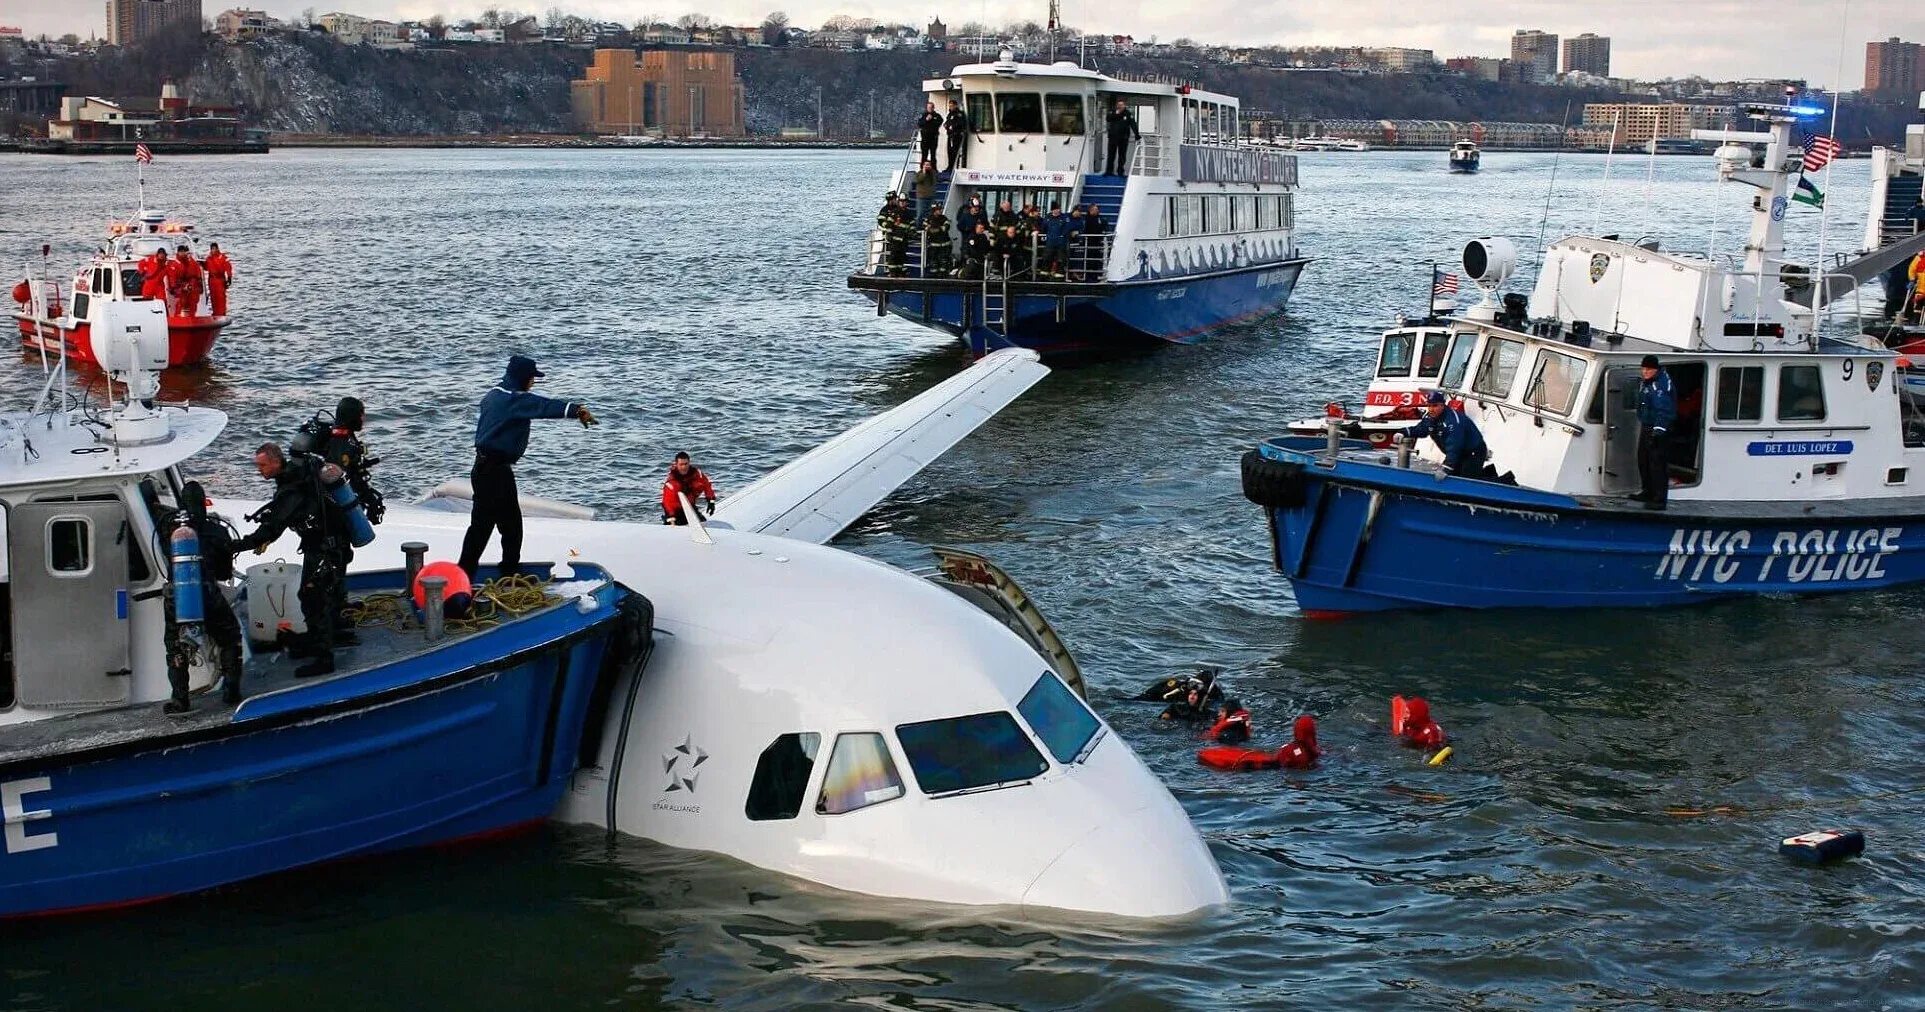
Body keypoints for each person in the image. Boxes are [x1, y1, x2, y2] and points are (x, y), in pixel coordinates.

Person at [457, 355, 596, 581]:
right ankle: (464, 576)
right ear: (522, 378)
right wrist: (576, 410)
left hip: (491, 469)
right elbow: (542, 406)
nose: (533, 382)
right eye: (532, 378)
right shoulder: (513, 400)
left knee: (507, 525)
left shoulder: (494, 394)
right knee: (484, 528)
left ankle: (505, 572)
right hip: (493, 472)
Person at [237, 444, 348, 679]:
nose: (260, 470)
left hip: (325, 548)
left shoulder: (292, 488)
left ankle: (324, 659)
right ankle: (314, 642)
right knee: (311, 596)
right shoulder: (294, 481)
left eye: (263, 465)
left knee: (314, 598)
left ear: (277, 462)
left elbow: (273, 527)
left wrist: (236, 546)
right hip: (322, 545)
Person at [161, 480, 245, 714]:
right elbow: (224, 571)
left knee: (175, 647)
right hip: (208, 595)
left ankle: (180, 700)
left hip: (176, 598)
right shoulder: (217, 530)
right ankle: (231, 689)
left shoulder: (170, 529)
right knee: (229, 637)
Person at [1400, 390, 1489, 477]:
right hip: (1458, 453)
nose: (1431, 409)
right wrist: (1403, 432)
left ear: (1442, 405)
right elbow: (1421, 429)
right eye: (1429, 406)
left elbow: (1454, 447)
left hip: (1473, 451)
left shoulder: (1452, 422)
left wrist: (1446, 469)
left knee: (1466, 478)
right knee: (1454, 475)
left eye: (1435, 406)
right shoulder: (1430, 417)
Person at [1636, 354, 1676, 510]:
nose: (1645, 372)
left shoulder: (1659, 385)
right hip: (1646, 425)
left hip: (1658, 428)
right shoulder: (1647, 383)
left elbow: (1664, 410)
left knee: (1657, 464)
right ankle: (1647, 491)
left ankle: (1659, 499)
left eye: (1648, 369)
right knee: (1643, 460)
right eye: (1643, 369)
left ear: (1655, 370)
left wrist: (1658, 431)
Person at [661, 451, 719, 525]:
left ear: (689, 463)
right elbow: (667, 502)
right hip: (676, 512)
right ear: (676, 465)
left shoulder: (697, 474)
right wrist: (671, 518)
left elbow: (707, 485)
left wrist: (711, 501)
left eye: (686, 464)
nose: (684, 467)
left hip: (690, 507)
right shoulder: (671, 483)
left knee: (703, 522)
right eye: (681, 464)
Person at [1104, 99, 1140, 176]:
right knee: (1111, 155)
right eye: (1119, 105)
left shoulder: (1128, 114)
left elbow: (1133, 124)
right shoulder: (1113, 112)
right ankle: (1109, 171)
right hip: (1113, 137)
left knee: (1122, 155)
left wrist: (1137, 135)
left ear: (1124, 105)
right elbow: (1108, 118)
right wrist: (1117, 113)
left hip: (1123, 138)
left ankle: (1120, 171)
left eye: (1121, 105)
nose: (1120, 106)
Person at [1040, 203, 1076, 279]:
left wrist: (1062, 235)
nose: (1057, 211)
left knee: (1061, 259)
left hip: (1061, 242)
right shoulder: (1047, 217)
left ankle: (1059, 274)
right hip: (1050, 242)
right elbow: (1043, 227)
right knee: (1047, 257)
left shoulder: (1064, 217)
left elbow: (1068, 227)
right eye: (1055, 209)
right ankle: (1044, 273)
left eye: (1058, 209)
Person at [167, 244, 203, 317]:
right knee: (180, 303)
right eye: (181, 252)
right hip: (180, 287)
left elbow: (196, 271)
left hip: (189, 286)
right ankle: (178, 317)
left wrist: (199, 284)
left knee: (192, 303)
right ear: (178, 253)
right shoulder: (175, 264)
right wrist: (175, 287)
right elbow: (173, 277)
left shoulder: (189, 262)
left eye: (184, 252)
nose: (183, 253)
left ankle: (191, 317)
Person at [1077, 204, 1108, 279]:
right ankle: (1088, 274)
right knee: (1089, 258)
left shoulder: (1100, 219)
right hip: (1089, 242)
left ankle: (1095, 273)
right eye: (1095, 209)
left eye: (1097, 209)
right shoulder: (1087, 219)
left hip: (1097, 242)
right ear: (1090, 210)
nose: (1097, 211)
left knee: (1096, 258)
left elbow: (1103, 227)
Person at [202, 242, 233, 317]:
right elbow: (206, 268)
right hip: (212, 280)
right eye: (212, 249)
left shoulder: (223, 257)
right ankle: (215, 313)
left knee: (221, 297)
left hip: (220, 279)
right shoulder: (209, 258)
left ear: (217, 248)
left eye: (214, 249)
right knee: (213, 297)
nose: (213, 250)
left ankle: (222, 313)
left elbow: (228, 267)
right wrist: (202, 264)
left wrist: (229, 278)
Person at [923, 206, 955, 276]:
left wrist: (934, 228)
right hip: (933, 245)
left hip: (944, 245)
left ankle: (942, 275)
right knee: (933, 262)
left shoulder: (944, 218)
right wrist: (937, 228)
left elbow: (945, 228)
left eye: (941, 209)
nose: (941, 211)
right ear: (934, 210)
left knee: (944, 262)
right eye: (939, 209)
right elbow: (926, 228)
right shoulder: (928, 218)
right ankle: (933, 276)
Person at [943, 99, 968, 172]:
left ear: (955, 105)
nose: (950, 107)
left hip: (956, 136)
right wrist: (946, 125)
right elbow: (948, 122)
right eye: (950, 106)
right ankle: (950, 166)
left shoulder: (959, 114)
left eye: (952, 106)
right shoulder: (950, 114)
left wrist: (953, 126)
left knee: (955, 152)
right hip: (950, 135)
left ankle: (954, 167)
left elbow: (961, 123)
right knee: (949, 152)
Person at [913, 159, 938, 224]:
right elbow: (918, 180)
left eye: (928, 165)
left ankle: (928, 228)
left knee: (930, 214)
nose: (927, 166)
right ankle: (918, 228)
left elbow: (935, 180)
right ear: (923, 166)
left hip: (931, 197)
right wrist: (924, 172)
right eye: (926, 165)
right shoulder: (919, 173)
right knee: (920, 214)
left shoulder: (933, 173)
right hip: (922, 197)